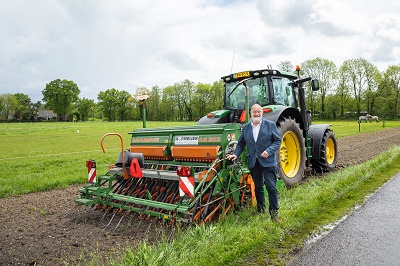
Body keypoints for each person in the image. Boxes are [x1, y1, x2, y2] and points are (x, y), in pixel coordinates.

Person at [226, 104, 282, 221]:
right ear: (250, 113)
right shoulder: (246, 128)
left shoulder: (270, 125)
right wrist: (235, 154)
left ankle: (274, 213)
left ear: (262, 112)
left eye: (258, 112)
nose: (256, 114)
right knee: (258, 187)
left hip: (268, 162)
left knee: (271, 187)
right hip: (253, 162)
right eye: (254, 112)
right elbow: (241, 143)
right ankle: (261, 209)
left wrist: (269, 151)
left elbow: (277, 141)